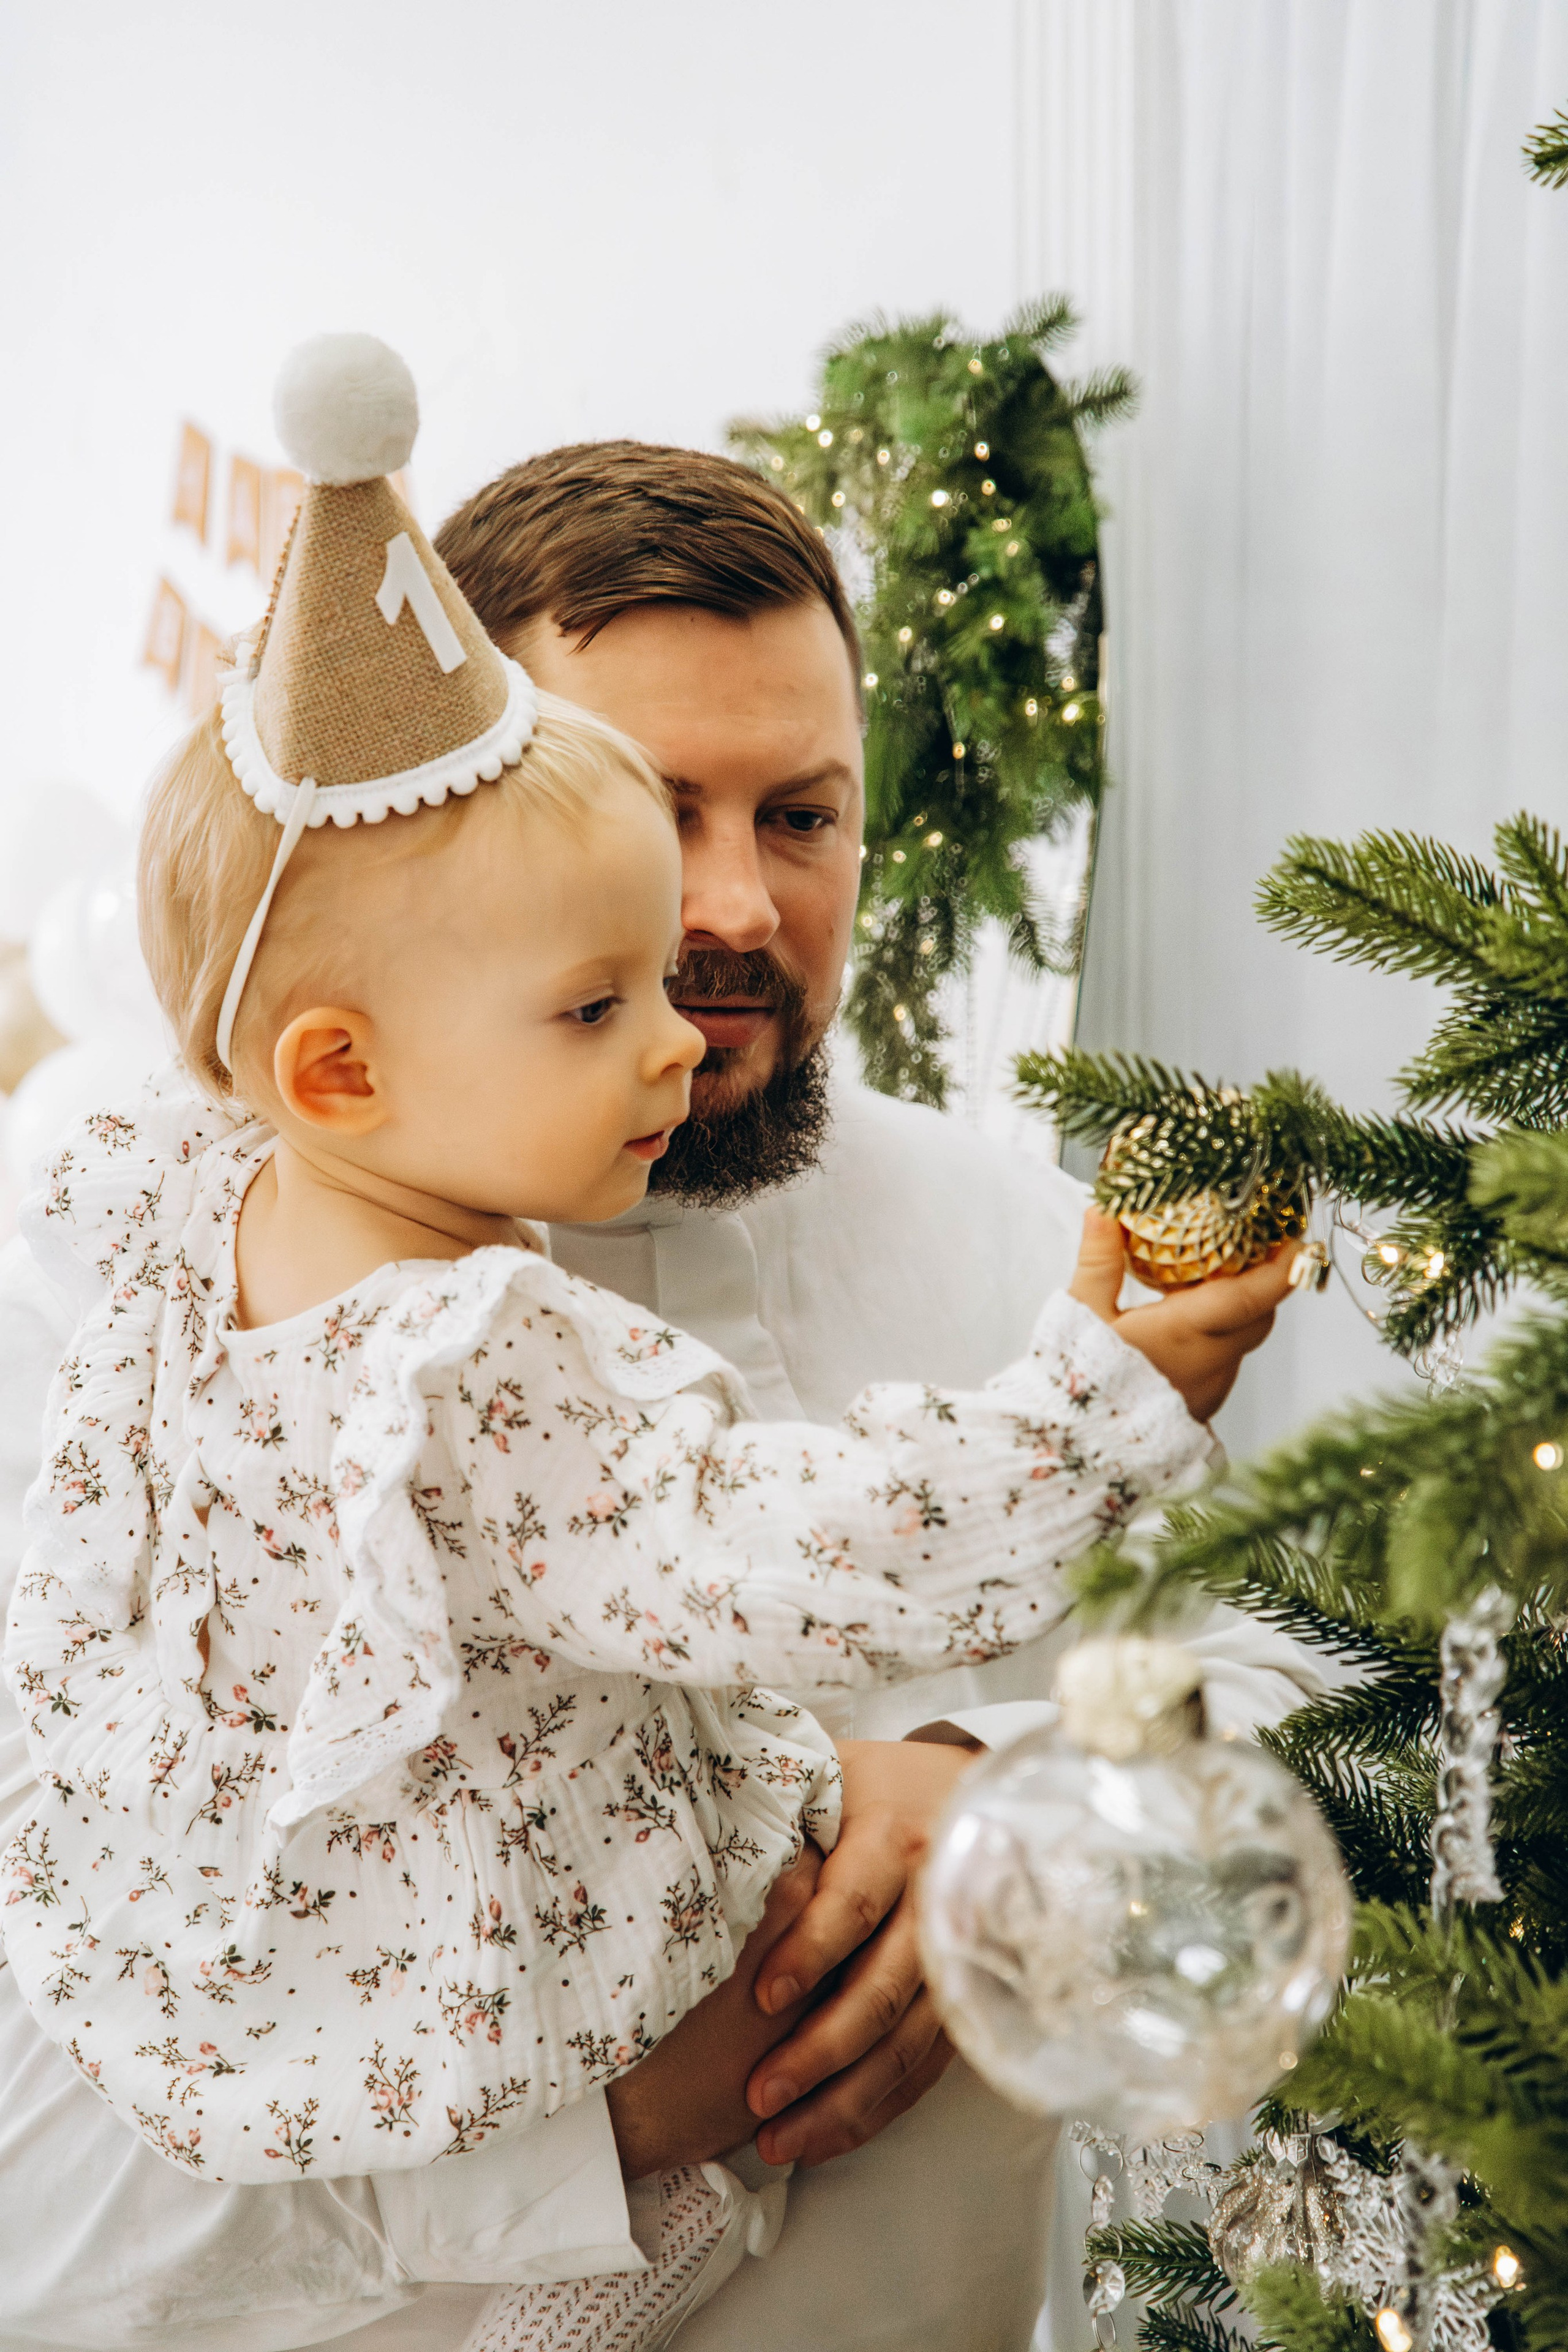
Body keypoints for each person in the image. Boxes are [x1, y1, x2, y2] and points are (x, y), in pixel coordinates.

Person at [0, 399, 1314, 2352]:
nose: (732, 908)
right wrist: (589, 2146)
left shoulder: (1026, 1242)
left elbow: (1299, 1691)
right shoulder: (131, 1283)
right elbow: (68, 2066)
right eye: (655, 811)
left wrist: (1007, 1793)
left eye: (802, 813)